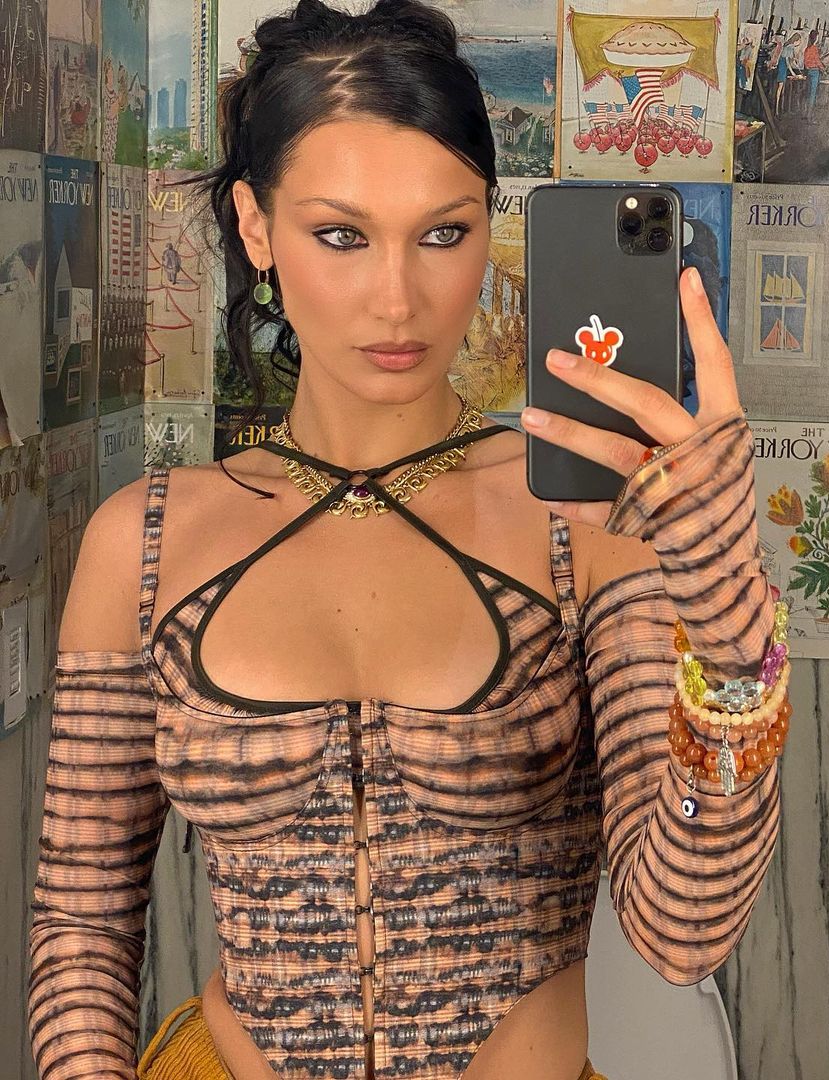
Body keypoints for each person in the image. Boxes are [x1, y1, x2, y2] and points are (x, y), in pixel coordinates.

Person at [26, 2, 783, 1079]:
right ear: (256, 228)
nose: (398, 298)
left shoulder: (592, 523)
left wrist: (728, 614)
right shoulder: (142, 542)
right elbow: (82, 920)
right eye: (342, 235)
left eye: (443, 233)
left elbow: (681, 932)